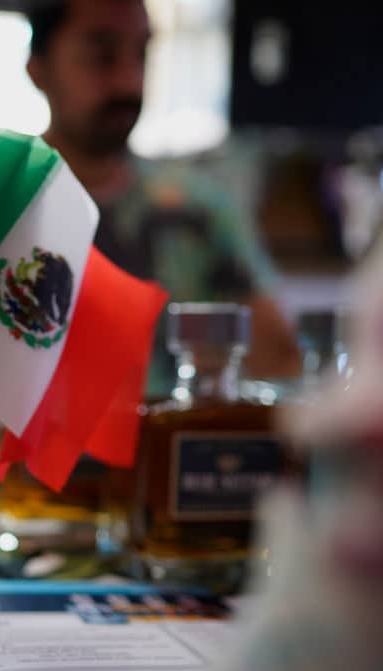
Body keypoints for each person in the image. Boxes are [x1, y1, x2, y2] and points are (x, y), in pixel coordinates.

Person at [25, 0, 301, 396]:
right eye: (101, 55)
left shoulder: (199, 211)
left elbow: (279, 363)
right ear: (38, 68)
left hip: (163, 450)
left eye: (141, 54)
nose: (129, 81)